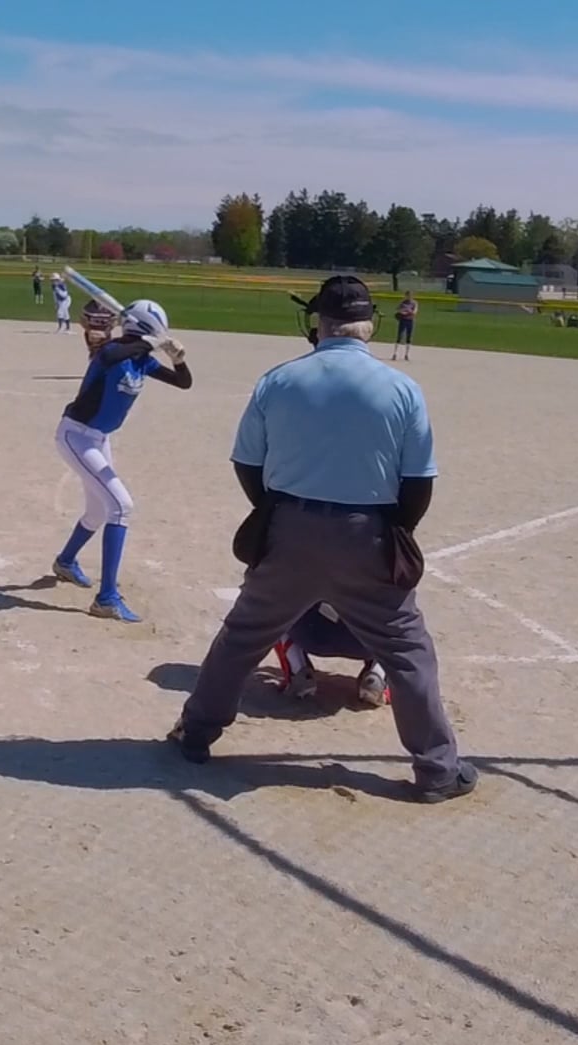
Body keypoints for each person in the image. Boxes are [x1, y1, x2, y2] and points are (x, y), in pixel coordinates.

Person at [167, 275, 475, 803]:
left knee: (242, 636)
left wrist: (273, 511)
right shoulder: (402, 388)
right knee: (407, 651)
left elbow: (247, 463)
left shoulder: (278, 380)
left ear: (318, 323)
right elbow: (418, 482)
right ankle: (437, 771)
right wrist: (394, 532)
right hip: (368, 531)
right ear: (370, 324)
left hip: (289, 527)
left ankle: (196, 733)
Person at [51, 299, 192, 622]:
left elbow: (183, 383)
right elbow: (114, 355)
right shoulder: (110, 351)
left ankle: (66, 561)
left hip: (99, 439)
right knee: (121, 506)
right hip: (76, 436)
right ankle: (106, 599)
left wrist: (178, 360)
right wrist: (151, 342)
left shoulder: (142, 360)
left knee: (99, 510)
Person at [274, 603, 390, 707]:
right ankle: (378, 672)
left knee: (274, 601)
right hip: (366, 638)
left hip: (311, 633)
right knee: (395, 607)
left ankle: (297, 668)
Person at [391, 291, 417, 361]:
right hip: (403, 320)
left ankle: (406, 354)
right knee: (399, 336)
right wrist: (402, 312)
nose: (409, 297)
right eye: (407, 295)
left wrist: (407, 312)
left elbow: (414, 312)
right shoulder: (403, 302)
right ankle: (395, 354)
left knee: (408, 337)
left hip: (410, 321)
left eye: (410, 295)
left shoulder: (414, 303)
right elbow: (398, 309)